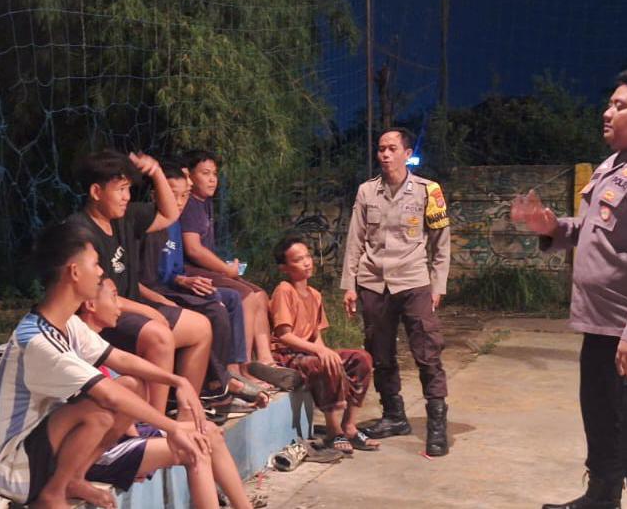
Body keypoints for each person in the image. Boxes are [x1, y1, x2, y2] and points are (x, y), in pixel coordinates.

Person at [513, 69, 627, 509]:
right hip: (603, 321)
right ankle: (601, 497)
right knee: (600, 414)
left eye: (621, 106)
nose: (607, 112)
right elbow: (595, 231)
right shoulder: (615, 166)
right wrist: (553, 227)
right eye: (610, 103)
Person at [0, 222, 253, 509]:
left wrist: (179, 381)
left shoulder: (67, 324)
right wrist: (171, 427)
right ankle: (56, 491)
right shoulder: (38, 341)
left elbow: (122, 360)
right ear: (74, 272)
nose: (101, 271)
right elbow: (109, 396)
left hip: (52, 446)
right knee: (101, 410)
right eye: (95, 264)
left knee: (131, 385)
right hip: (18, 467)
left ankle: (73, 477)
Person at [64, 150, 214, 415]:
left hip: (129, 308)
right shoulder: (80, 232)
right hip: (100, 317)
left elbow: (169, 215)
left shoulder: (126, 217)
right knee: (159, 336)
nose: (127, 197)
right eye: (120, 190)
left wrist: (156, 172)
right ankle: (153, 421)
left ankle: (186, 415)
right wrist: (149, 311)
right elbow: (96, 296)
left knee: (201, 327)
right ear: (96, 192)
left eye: (129, 189)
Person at [338, 127, 453, 457]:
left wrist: (437, 285)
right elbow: (355, 239)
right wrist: (349, 285)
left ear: (407, 153)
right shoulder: (367, 191)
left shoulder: (428, 191)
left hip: (414, 281)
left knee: (427, 352)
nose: (385, 154)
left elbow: (441, 243)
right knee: (380, 352)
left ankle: (436, 424)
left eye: (391, 148)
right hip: (374, 282)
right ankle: (394, 415)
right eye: (381, 149)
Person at [139, 160, 263, 414]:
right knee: (214, 308)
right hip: (156, 293)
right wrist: (172, 292)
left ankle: (229, 371)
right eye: (173, 195)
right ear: (155, 194)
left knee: (229, 298)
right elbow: (144, 279)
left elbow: (173, 272)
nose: (179, 202)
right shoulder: (147, 226)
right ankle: (215, 386)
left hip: (171, 286)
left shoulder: (175, 224)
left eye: (184, 196)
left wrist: (183, 280)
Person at [178, 150, 290, 390]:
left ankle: (265, 361)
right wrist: (226, 270)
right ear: (189, 176)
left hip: (206, 269)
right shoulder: (188, 205)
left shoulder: (205, 203)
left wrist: (226, 267)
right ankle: (239, 367)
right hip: (190, 271)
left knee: (259, 294)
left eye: (215, 174)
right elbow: (193, 249)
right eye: (205, 173)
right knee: (245, 296)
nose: (212, 179)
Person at [270, 236, 379, 455]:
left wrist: (325, 351)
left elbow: (316, 335)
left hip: (308, 351)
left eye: (307, 257)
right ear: (284, 267)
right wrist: (320, 352)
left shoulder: (315, 295)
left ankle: (349, 426)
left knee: (361, 358)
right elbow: (284, 336)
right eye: (298, 260)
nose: (306, 263)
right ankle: (333, 430)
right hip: (286, 354)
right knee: (321, 362)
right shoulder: (284, 290)